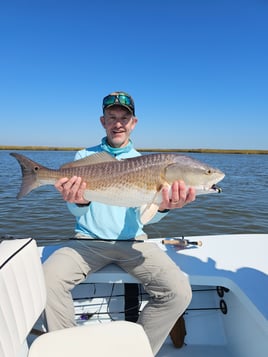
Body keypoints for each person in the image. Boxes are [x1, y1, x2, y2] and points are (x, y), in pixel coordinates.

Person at [43, 91, 196, 355]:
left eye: (124, 118)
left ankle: (137, 350)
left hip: (133, 243)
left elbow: (143, 218)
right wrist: (78, 201)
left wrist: (164, 207)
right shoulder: (83, 157)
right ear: (102, 121)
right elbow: (77, 212)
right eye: (112, 117)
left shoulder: (147, 162)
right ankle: (65, 350)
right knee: (46, 282)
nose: (118, 123)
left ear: (133, 123)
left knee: (179, 292)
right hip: (87, 243)